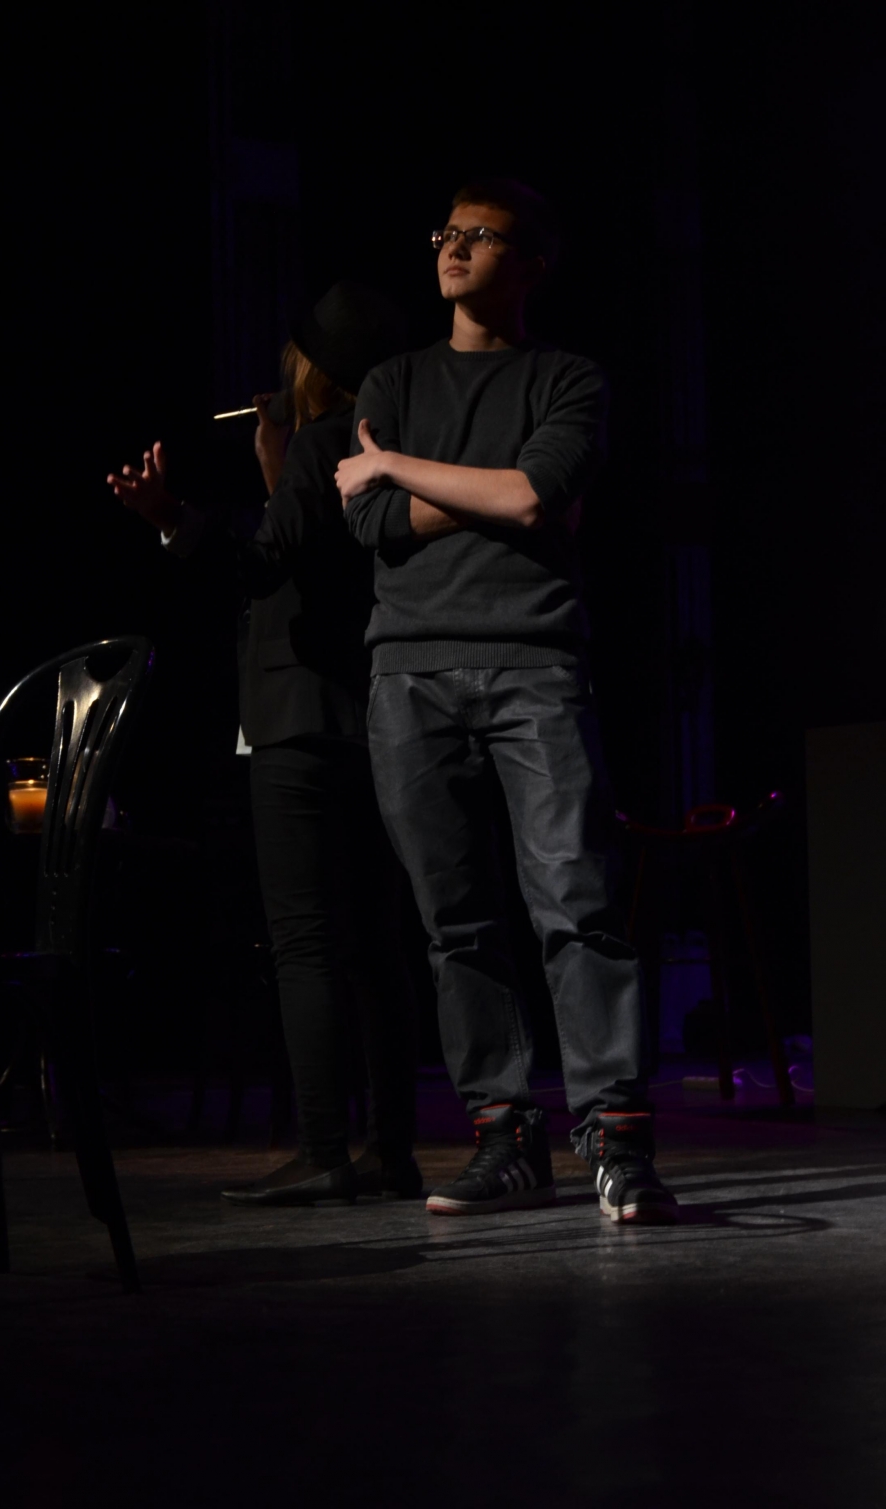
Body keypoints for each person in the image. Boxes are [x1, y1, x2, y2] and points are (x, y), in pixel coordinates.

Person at [336, 181, 678, 1223]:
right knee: (456, 923)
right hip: (408, 671)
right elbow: (372, 526)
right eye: (447, 232)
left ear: (530, 264)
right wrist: (494, 486)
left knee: (576, 903)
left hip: (534, 661)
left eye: (480, 237)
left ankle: (614, 1137)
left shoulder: (566, 378)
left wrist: (396, 467)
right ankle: (504, 1134)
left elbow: (536, 496)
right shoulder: (393, 379)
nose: (454, 247)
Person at [108, 282, 420, 1206]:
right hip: (370, 717)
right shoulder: (383, 449)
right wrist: (275, 470)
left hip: (298, 720)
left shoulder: (321, 446)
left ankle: (324, 1147)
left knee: (306, 941)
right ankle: (390, 1148)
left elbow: (256, 567)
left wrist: (172, 517)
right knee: (375, 942)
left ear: (311, 368)